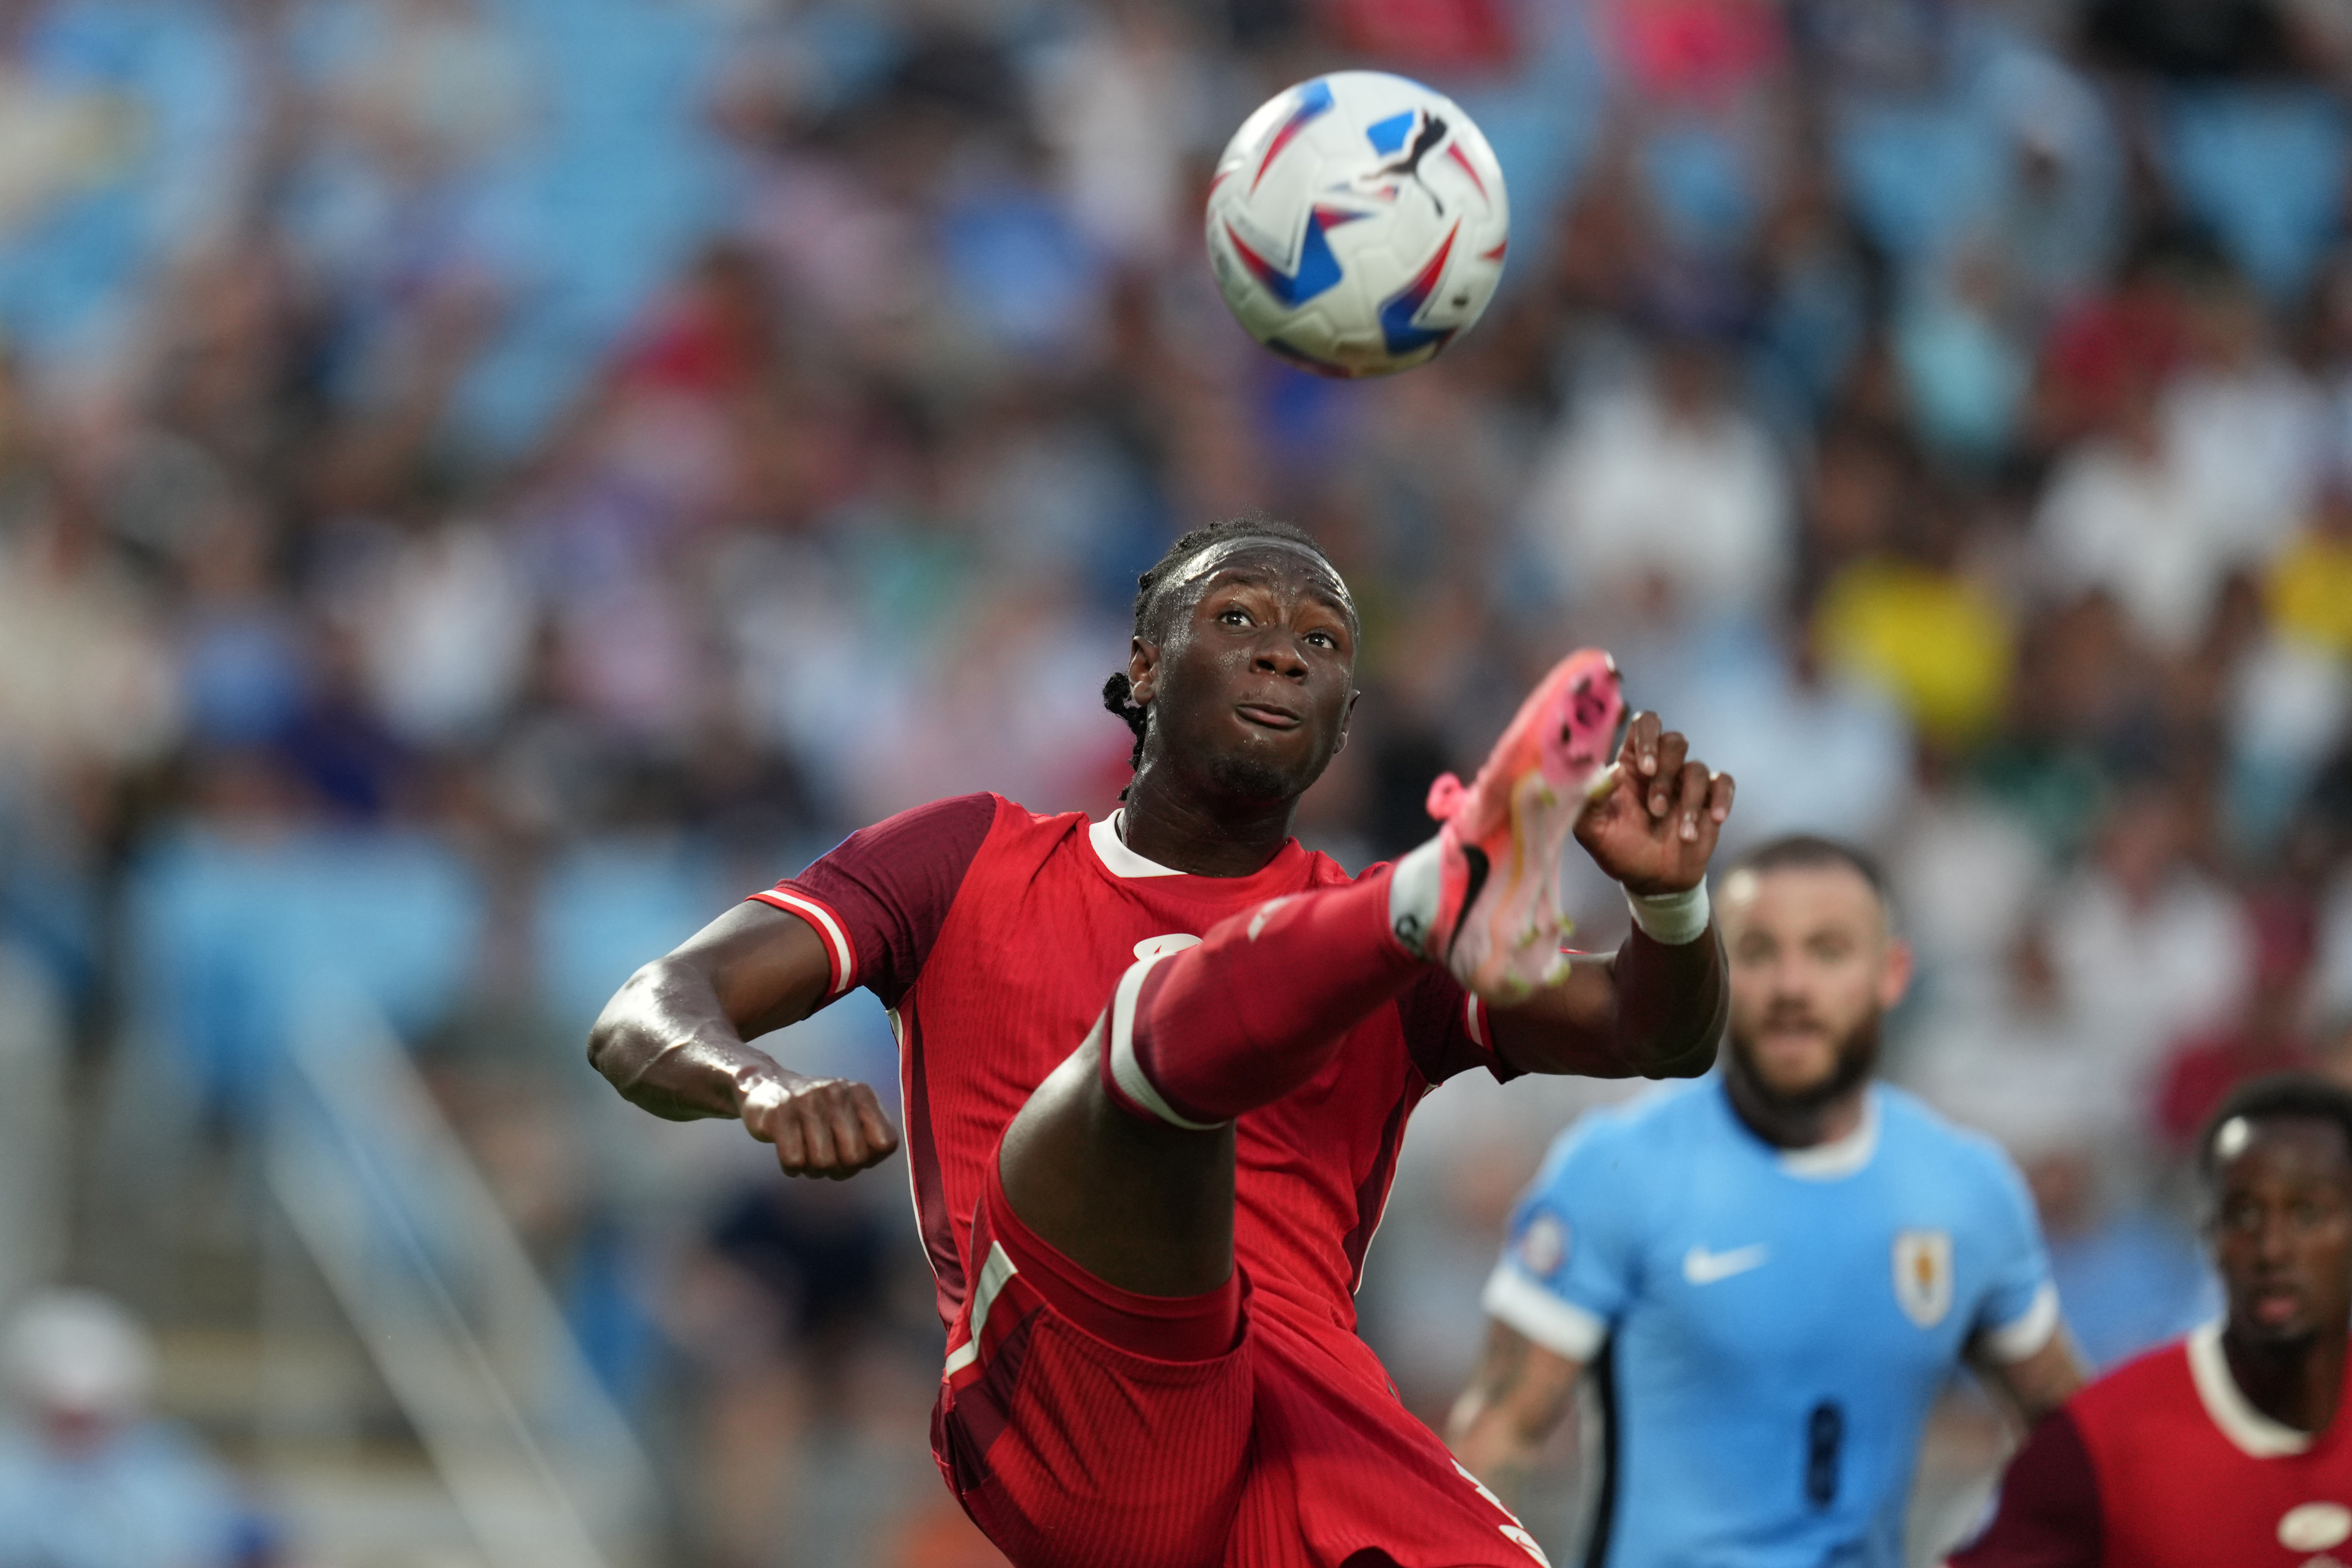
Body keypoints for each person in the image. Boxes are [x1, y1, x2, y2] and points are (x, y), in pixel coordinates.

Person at [587, 515, 1737, 1567]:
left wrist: (1671, 910)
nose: (1285, 652)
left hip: (1302, 1420)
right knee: (1135, 1073)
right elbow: (648, 1008)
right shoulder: (967, 861)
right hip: (1068, 1412)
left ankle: (1426, 890)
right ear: (1143, 667)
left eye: (1323, 642)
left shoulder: (1413, 956)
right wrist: (755, 1082)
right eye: (1237, 618)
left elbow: (1658, 1032)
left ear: (1342, 723)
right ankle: (1423, 888)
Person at [1448, 835, 2085, 1567]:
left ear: (1891, 973)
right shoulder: (1617, 1171)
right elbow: (1498, 1432)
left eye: (1826, 951)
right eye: (1756, 952)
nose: (1790, 986)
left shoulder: (1966, 1191)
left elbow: (2074, 1442)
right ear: (1714, 975)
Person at [1949, 1074, 2352, 1567]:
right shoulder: (2100, 1438)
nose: (2273, 1250)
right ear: (2209, 1236)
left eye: (2308, 1215)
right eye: (2244, 1215)